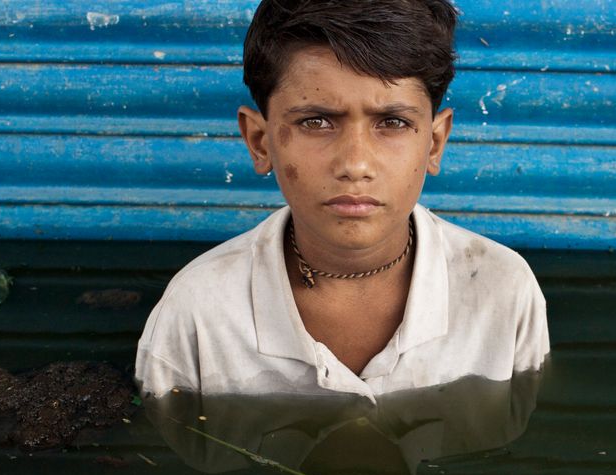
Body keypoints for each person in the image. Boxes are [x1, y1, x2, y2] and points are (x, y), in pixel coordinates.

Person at [136, 0, 549, 401]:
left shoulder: (502, 290)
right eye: (315, 122)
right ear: (259, 142)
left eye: (393, 122)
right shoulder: (198, 311)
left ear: (435, 143)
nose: (355, 164)